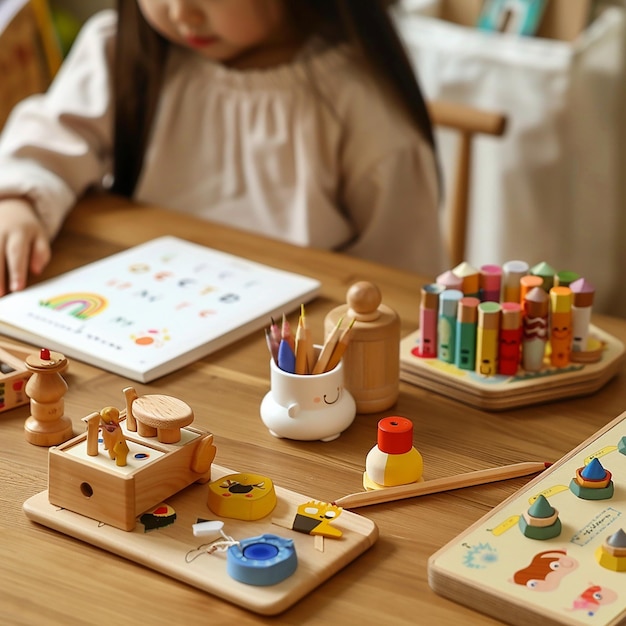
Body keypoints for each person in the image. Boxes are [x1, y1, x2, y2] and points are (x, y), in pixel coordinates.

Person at [0, 0, 446, 296]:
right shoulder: (118, 47)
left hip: (290, 360)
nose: (181, 11)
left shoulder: (357, 101)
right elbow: (47, 147)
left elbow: (403, 281)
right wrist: (19, 199)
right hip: (140, 314)